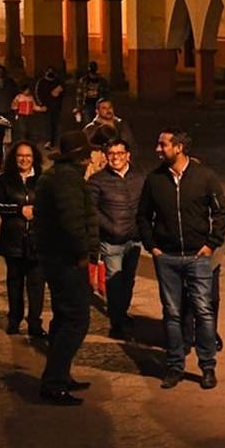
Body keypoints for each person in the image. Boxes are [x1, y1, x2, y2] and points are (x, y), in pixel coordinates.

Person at [137, 128, 225, 390]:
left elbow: (221, 214)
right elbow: (143, 215)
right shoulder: (155, 179)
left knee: (204, 312)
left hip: (197, 256)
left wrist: (211, 245)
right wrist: (152, 246)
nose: (158, 149)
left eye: (163, 144)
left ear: (178, 147)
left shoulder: (205, 176)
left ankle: (207, 366)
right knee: (172, 313)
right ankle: (175, 365)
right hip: (167, 257)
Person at [33, 131, 98, 405]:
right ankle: (54, 382)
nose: (92, 159)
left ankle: (60, 375)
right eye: (89, 155)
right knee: (76, 319)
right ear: (81, 157)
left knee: (63, 318)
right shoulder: (67, 179)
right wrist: (84, 253)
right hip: (66, 260)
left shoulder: (56, 175)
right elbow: (73, 222)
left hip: (55, 258)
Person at [87, 137, 145, 340]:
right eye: (111, 154)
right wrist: (110, 226)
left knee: (128, 280)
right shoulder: (97, 180)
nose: (115, 158)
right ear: (106, 156)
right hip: (111, 241)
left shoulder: (139, 177)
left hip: (134, 239)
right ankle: (116, 322)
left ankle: (122, 313)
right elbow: (91, 210)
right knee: (114, 281)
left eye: (120, 153)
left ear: (128, 155)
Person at [0, 140, 46, 338]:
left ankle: (35, 323)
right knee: (14, 282)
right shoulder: (4, 178)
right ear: (14, 158)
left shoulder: (42, 178)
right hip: (13, 240)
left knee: (36, 284)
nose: (24, 159)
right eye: (20, 156)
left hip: (37, 240)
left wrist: (36, 211)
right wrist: (19, 210)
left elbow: (50, 205)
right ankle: (14, 320)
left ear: (34, 158)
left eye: (28, 156)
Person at [0, 65, 19, 162]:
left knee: (9, 128)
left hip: (8, 109)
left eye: (1, 71)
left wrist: (15, 103)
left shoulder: (10, 82)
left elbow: (16, 94)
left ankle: (8, 145)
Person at [34, 66, 65, 149]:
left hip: (56, 107)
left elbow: (62, 93)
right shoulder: (41, 82)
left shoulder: (58, 82)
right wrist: (41, 104)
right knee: (47, 125)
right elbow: (37, 93)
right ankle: (48, 141)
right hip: (46, 107)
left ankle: (55, 142)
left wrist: (59, 96)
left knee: (55, 125)